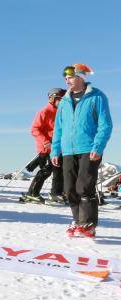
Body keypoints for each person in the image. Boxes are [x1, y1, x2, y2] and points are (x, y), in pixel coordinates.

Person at [52, 63, 113, 238]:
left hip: (89, 148)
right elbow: (59, 128)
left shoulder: (97, 97)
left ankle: (88, 224)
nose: (66, 79)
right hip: (68, 151)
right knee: (70, 188)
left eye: (70, 76)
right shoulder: (64, 101)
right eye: (65, 77)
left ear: (80, 77)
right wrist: (55, 150)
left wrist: (98, 146)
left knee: (84, 186)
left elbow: (105, 124)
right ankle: (78, 221)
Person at [21, 88, 66, 204]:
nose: (62, 102)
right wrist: (45, 141)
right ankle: (32, 193)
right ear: (52, 99)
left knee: (59, 170)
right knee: (46, 170)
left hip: (57, 147)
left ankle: (56, 193)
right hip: (45, 147)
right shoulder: (44, 112)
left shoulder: (61, 112)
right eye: (60, 99)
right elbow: (35, 129)